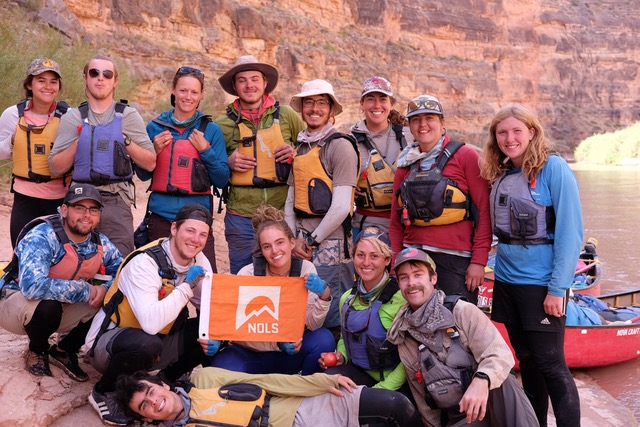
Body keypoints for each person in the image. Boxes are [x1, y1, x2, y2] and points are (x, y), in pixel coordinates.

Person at [480, 104, 583, 427]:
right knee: (527, 360)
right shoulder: (503, 174)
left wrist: (557, 289)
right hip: (507, 283)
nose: (509, 139)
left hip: (542, 285)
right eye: (502, 133)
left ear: (532, 132)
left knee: (551, 363)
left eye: (516, 131)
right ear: (495, 139)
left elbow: (570, 234)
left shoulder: (554, 169)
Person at [85, 203, 214, 426]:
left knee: (212, 332)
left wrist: (212, 337)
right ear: (174, 228)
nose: (196, 240)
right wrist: (188, 286)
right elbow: (151, 324)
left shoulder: (200, 261)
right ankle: (102, 391)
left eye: (202, 234)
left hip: (159, 341)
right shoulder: (145, 262)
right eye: (190, 231)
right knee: (147, 344)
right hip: (110, 343)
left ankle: (167, 379)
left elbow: (209, 309)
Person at [387, 248, 539, 427]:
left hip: (496, 403)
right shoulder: (404, 334)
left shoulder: (462, 311)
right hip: (464, 417)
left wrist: (482, 379)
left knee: (503, 380)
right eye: (404, 277)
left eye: (418, 274)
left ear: (433, 278)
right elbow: (423, 400)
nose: (411, 283)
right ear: (399, 283)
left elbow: (500, 354)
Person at [0, 183, 122, 381]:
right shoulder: (43, 235)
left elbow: (122, 272)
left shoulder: (99, 242)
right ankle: (37, 350)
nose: (86, 215)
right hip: (15, 304)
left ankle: (64, 350)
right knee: (49, 307)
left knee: (111, 303)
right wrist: (87, 290)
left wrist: (105, 290)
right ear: (64, 210)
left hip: (63, 305)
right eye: (79, 208)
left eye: (93, 210)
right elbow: (32, 286)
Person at [49, 53, 156, 256]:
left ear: (115, 82)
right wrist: (81, 141)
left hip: (116, 199)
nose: (100, 78)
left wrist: (125, 140)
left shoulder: (128, 116)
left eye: (107, 74)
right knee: (74, 260)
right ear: (85, 78)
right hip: (80, 199)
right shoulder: (72, 118)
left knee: (120, 262)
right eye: (94, 72)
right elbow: (55, 167)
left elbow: (150, 163)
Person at [389, 95, 491, 305]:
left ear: (442, 122)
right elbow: (395, 221)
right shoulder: (404, 164)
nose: (423, 124)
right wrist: (395, 261)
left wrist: (479, 261)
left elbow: (484, 212)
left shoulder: (466, 157)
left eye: (430, 118)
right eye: (416, 119)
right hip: (414, 258)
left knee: (457, 326)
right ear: (409, 125)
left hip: (456, 262)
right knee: (417, 326)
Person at [209, 205, 335, 375]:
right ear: (261, 250)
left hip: (288, 356)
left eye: (280, 242)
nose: (275, 251)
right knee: (220, 368)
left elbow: (312, 324)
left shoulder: (306, 269)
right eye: (267, 246)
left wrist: (323, 295)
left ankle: (302, 392)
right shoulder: (248, 273)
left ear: (292, 242)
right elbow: (239, 328)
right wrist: (277, 342)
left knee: (323, 339)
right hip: (251, 353)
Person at [215, 55, 305, 274]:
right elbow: (213, 168)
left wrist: (293, 153)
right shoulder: (222, 125)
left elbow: (311, 150)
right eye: (242, 80)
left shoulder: (287, 116)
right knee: (243, 274)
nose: (249, 85)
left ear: (265, 83)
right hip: (241, 215)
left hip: (282, 212)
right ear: (235, 86)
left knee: (285, 276)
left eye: (255, 79)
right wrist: (228, 162)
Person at [285, 79, 360, 330]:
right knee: (303, 300)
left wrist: (310, 241)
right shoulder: (302, 147)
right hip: (301, 237)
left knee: (331, 304)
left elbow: (340, 206)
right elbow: (290, 199)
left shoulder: (340, 146)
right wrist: (292, 239)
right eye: (309, 103)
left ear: (330, 110)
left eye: (321, 103)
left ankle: (334, 359)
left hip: (331, 241)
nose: (314, 109)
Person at [115, 368, 422, 427]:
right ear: (145, 418)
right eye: (145, 406)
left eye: (151, 392)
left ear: (163, 386)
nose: (154, 401)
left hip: (299, 406)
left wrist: (320, 381)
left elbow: (263, 381)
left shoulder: (204, 379)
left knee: (397, 407)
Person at [141, 66, 229, 270]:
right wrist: (153, 151)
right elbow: (143, 174)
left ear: (201, 96)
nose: (188, 96)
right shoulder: (154, 127)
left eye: (194, 92)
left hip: (198, 220)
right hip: (160, 217)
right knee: (157, 283)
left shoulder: (211, 130)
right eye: (183, 90)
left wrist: (206, 150)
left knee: (205, 285)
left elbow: (222, 179)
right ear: (173, 90)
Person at [320, 228, 408, 395]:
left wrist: (378, 392)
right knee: (327, 382)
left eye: (374, 256)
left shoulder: (402, 299)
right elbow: (345, 338)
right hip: (359, 374)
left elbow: (410, 360)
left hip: (393, 384)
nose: (366, 262)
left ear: (387, 259)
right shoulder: (347, 298)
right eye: (360, 255)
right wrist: (340, 356)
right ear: (353, 258)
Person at [0, 58, 69, 248]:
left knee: (58, 257)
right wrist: (13, 140)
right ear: (29, 85)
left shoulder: (68, 117)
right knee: (22, 253)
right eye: (41, 80)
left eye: (53, 82)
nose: (48, 86)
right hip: (25, 199)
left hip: (59, 199)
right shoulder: (12, 115)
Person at [351, 76, 412, 240]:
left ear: (391, 104)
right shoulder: (350, 141)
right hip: (364, 226)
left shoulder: (410, 137)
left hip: (407, 226)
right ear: (362, 104)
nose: (377, 105)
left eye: (383, 99)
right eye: (370, 99)